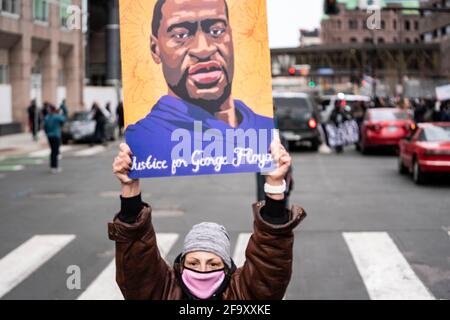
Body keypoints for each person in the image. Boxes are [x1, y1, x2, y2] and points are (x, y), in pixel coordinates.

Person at [109, 140, 306, 300]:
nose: (202, 272)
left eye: (213, 264)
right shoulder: (165, 293)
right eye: (194, 264)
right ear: (182, 264)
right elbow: (138, 265)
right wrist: (130, 188)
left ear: (227, 268)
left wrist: (274, 185)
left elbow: (269, 260)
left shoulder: (242, 296)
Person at [125, 0, 274, 178]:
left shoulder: (265, 134)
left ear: (232, 38)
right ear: (155, 49)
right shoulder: (142, 140)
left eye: (216, 31)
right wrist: (130, 190)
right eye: (180, 35)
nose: (203, 49)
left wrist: (276, 185)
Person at [43, 104, 67, 173]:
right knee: (55, 152)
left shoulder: (47, 117)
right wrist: (64, 109)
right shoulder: (56, 117)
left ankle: (52, 166)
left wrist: (47, 133)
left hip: (49, 136)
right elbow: (64, 118)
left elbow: (44, 127)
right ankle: (55, 167)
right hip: (56, 136)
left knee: (52, 151)